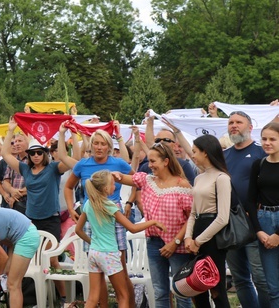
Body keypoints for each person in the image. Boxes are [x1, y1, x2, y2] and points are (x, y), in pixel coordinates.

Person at [0, 119, 78, 305]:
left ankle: (63, 298)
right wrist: (10, 130)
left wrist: (66, 134)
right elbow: (5, 154)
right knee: (28, 261)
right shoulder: (25, 169)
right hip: (30, 221)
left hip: (50, 220)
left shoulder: (53, 169)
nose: (35, 156)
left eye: (39, 152)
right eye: (32, 153)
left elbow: (72, 162)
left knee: (52, 260)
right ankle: (32, 298)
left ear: (45, 153)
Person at [113, 141, 193, 308]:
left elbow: (192, 218)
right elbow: (125, 178)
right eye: (148, 161)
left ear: (166, 161)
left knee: (181, 291)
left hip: (177, 244)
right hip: (154, 242)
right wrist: (114, 174)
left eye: (153, 161)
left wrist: (175, 242)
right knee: (159, 290)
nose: (149, 165)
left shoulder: (182, 185)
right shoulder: (147, 180)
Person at [64, 129, 136, 302]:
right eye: (95, 143)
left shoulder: (118, 163)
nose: (99, 147)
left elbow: (137, 181)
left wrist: (129, 202)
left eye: (103, 144)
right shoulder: (82, 164)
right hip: (91, 213)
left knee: (121, 266)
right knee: (97, 273)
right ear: (91, 145)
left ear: (109, 146)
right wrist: (70, 208)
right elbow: (68, 187)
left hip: (114, 213)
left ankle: (130, 304)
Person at [75, 170, 165, 308]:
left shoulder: (88, 204)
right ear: (105, 188)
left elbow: (78, 230)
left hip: (94, 253)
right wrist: (152, 222)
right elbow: (132, 228)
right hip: (110, 254)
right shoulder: (111, 206)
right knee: (123, 296)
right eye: (113, 184)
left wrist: (92, 242)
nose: (115, 187)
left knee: (92, 298)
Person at [220, 109, 271, 307]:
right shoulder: (223, 155)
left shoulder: (261, 152)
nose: (234, 125)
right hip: (230, 223)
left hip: (254, 223)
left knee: (260, 277)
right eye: (231, 122)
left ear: (250, 128)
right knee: (240, 279)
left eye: (238, 122)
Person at [184, 134, 232, 308]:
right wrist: (188, 238)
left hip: (213, 237)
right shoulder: (198, 178)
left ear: (205, 152)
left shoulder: (222, 178)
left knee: (216, 288)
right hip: (197, 232)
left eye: (195, 152)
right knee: (197, 287)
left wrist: (197, 240)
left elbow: (222, 217)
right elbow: (193, 212)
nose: (193, 156)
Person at [248, 122, 279, 307]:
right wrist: (258, 230)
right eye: (264, 139)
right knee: (273, 286)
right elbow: (250, 200)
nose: (267, 143)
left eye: (272, 139)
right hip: (264, 221)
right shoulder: (258, 165)